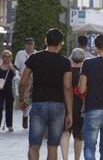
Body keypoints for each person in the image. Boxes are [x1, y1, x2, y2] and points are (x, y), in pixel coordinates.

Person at [19, 28, 73, 160]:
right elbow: (67, 87)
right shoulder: (65, 62)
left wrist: (22, 99)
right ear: (61, 43)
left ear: (45, 41)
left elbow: (22, 82)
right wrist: (70, 112)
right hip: (58, 106)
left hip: (38, 104)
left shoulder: (34, 58)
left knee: (34, 145)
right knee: (53, 146)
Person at [60, 48, 86, 160]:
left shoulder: (66, 70)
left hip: (66, 104)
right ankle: (77, 158)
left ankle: (65, 158)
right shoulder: (85, 72)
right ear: (83, 58)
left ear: (72, 57)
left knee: (66, 131)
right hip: (81, 106)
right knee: (79, 134)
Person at [14, 37, 36, 129]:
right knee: (24, 98)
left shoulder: (36, 54)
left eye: (31, 44)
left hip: (34, 80)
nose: (30, 46)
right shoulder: (20, 54)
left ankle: (31, 118)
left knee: (33, 99)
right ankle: (25, 116)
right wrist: (18, 75)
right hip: (23, 79)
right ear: (25, 45)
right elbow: (16, 67)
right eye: (28, 44)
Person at [0, 50, 16, 132]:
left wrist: (12, 68)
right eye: (5, 56)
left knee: (9, 108)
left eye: (9, 56)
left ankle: (9, 125)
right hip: (0, 90)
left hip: (10, 91)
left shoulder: (12, 67)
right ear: (2, 57)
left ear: (11, 58)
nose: (7, 58)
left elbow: (17, 77)